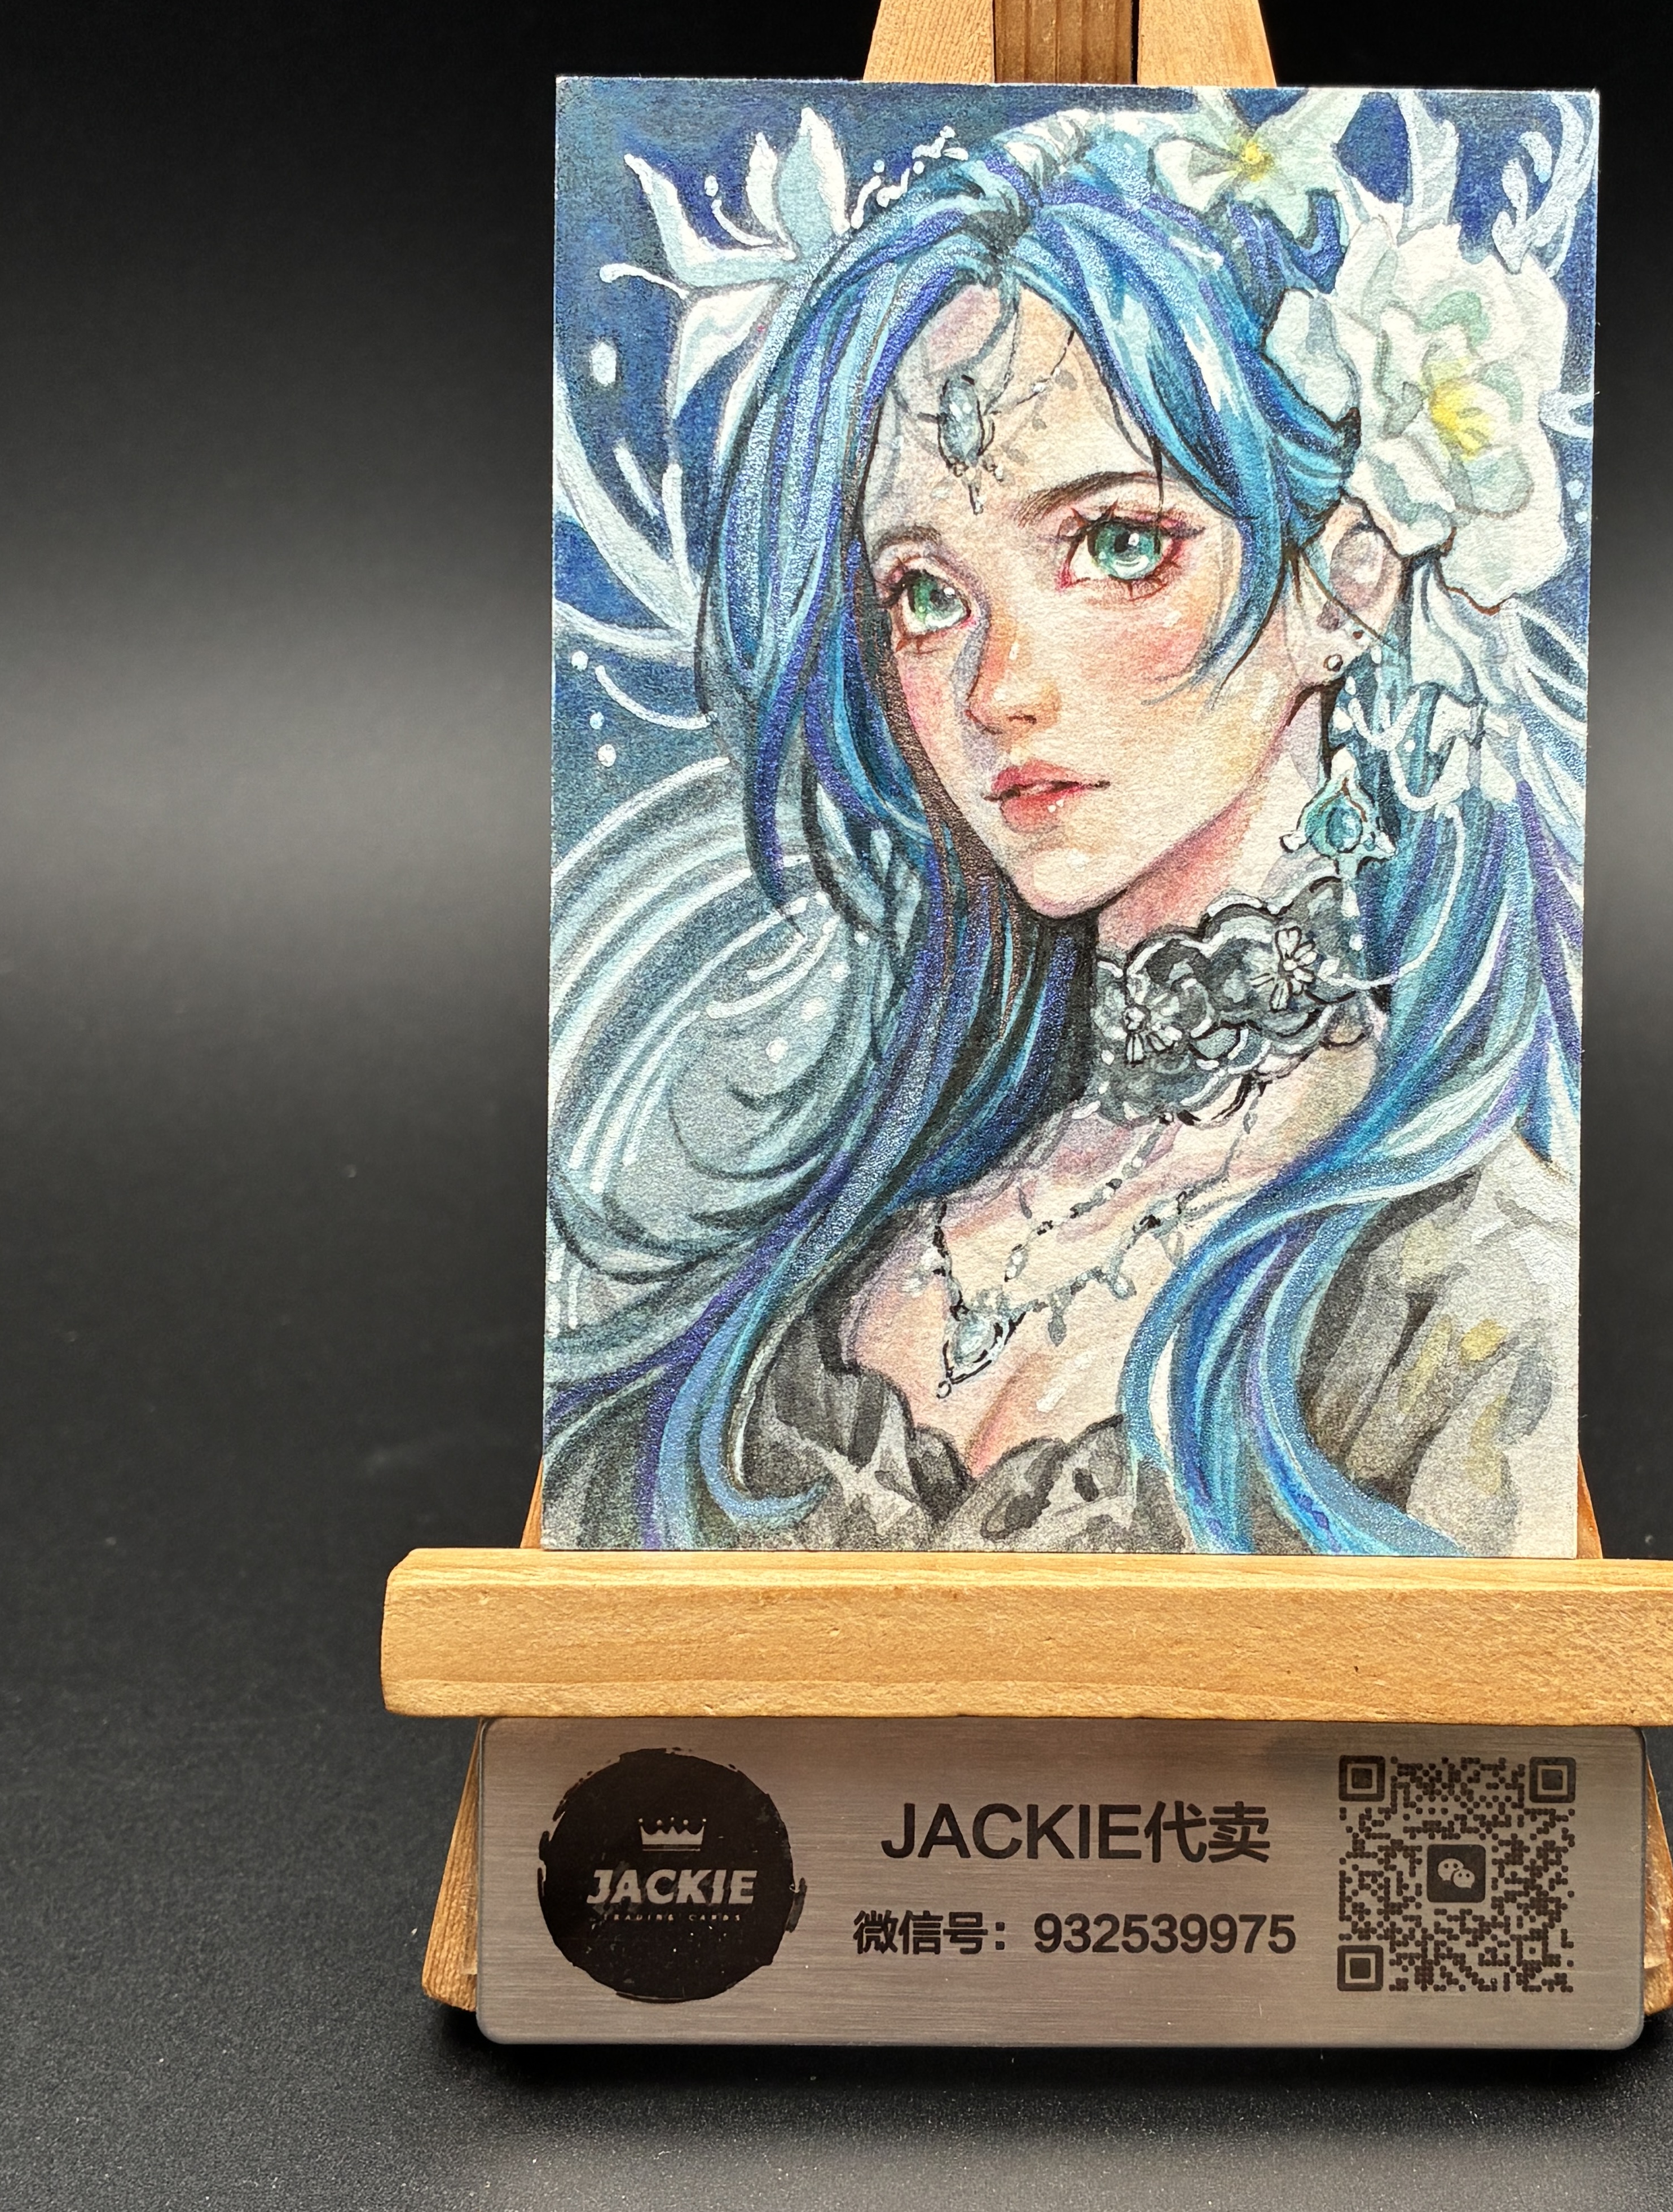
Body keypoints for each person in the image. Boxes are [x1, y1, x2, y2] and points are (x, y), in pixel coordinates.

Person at [542, 91, 1593, 1556]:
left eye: (1115, 543)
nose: (997, 690)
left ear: (1344, 579)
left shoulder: (1474, 1290)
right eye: (926, 592)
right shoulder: (857, 1246)